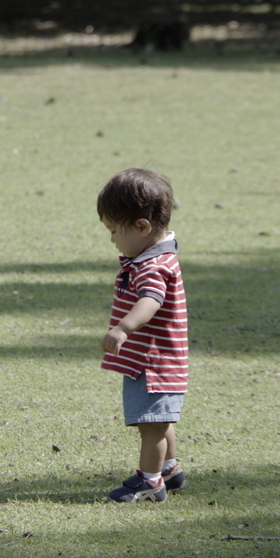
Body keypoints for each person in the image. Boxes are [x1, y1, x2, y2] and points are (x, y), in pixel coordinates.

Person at [96, 168, 189, 503]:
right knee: (160, 420)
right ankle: (170, 470)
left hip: (155, 363)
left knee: (151, 425)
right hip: (156, 361)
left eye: (113, 231)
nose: (111, 240)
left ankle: (150, 481)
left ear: (141, 227)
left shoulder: (153, 266)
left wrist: (123, 327)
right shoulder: (154, 256)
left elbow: (150, 301)